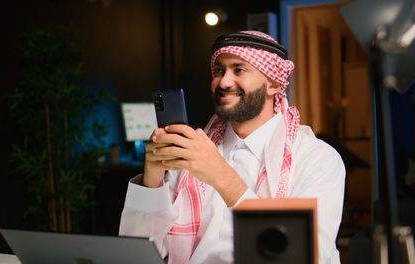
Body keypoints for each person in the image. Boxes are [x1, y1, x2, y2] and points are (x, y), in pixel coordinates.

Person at [119, 31, 345, 264]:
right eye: (219, 70)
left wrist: (220, 175)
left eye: (239, 70)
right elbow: (134, 255)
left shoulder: (317, 159)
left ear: (274, 84)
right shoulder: (191, 153)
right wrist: (151, 184)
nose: (224, 81)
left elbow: (305, 256)